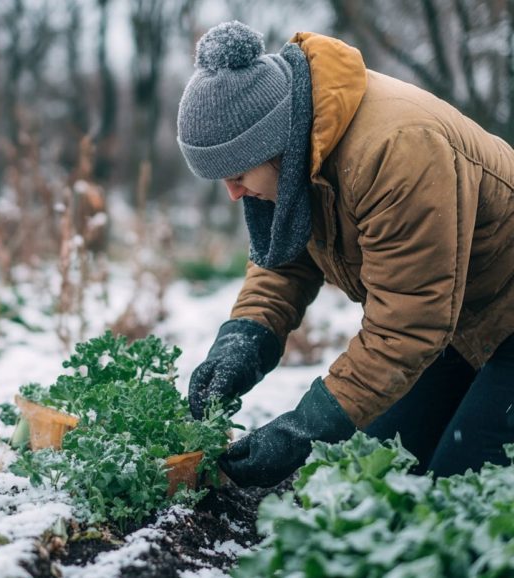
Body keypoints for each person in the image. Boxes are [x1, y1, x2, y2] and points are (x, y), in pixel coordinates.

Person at [176, 21, 514, 487]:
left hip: (496, 318)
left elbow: (407, 325)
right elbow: (285, 253)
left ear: (274, 144)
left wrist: (304, 430)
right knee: (378, 476)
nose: (233, 193)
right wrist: (245, 339)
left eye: (236, 173)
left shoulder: (397, 151)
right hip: (458, 323)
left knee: (458, 492)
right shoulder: (300, 146)